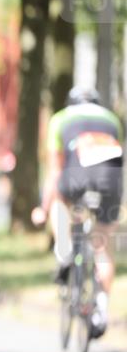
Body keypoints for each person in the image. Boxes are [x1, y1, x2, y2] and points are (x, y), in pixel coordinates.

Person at [32, 86, 124, 337]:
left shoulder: (60, 119)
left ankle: (64, 250)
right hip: (110, 181)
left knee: (60, 203)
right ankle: (101, 310)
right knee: (103, 247)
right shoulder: (111, 119)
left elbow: (54, 170)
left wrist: (43, 206)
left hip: (76, 176)